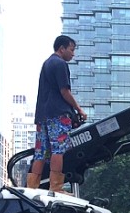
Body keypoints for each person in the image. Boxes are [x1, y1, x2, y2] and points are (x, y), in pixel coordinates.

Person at [27, 35, 87, 194]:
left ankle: (31, 187)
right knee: (58, 150)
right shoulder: (60, 64)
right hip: (58, 114)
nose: (73, 54)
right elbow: (64, 91)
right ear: (62, 48)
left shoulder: (46, 63)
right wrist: (78, 109)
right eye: (71, 50)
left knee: (40, 152)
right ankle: (56, 187)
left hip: (42, 116)